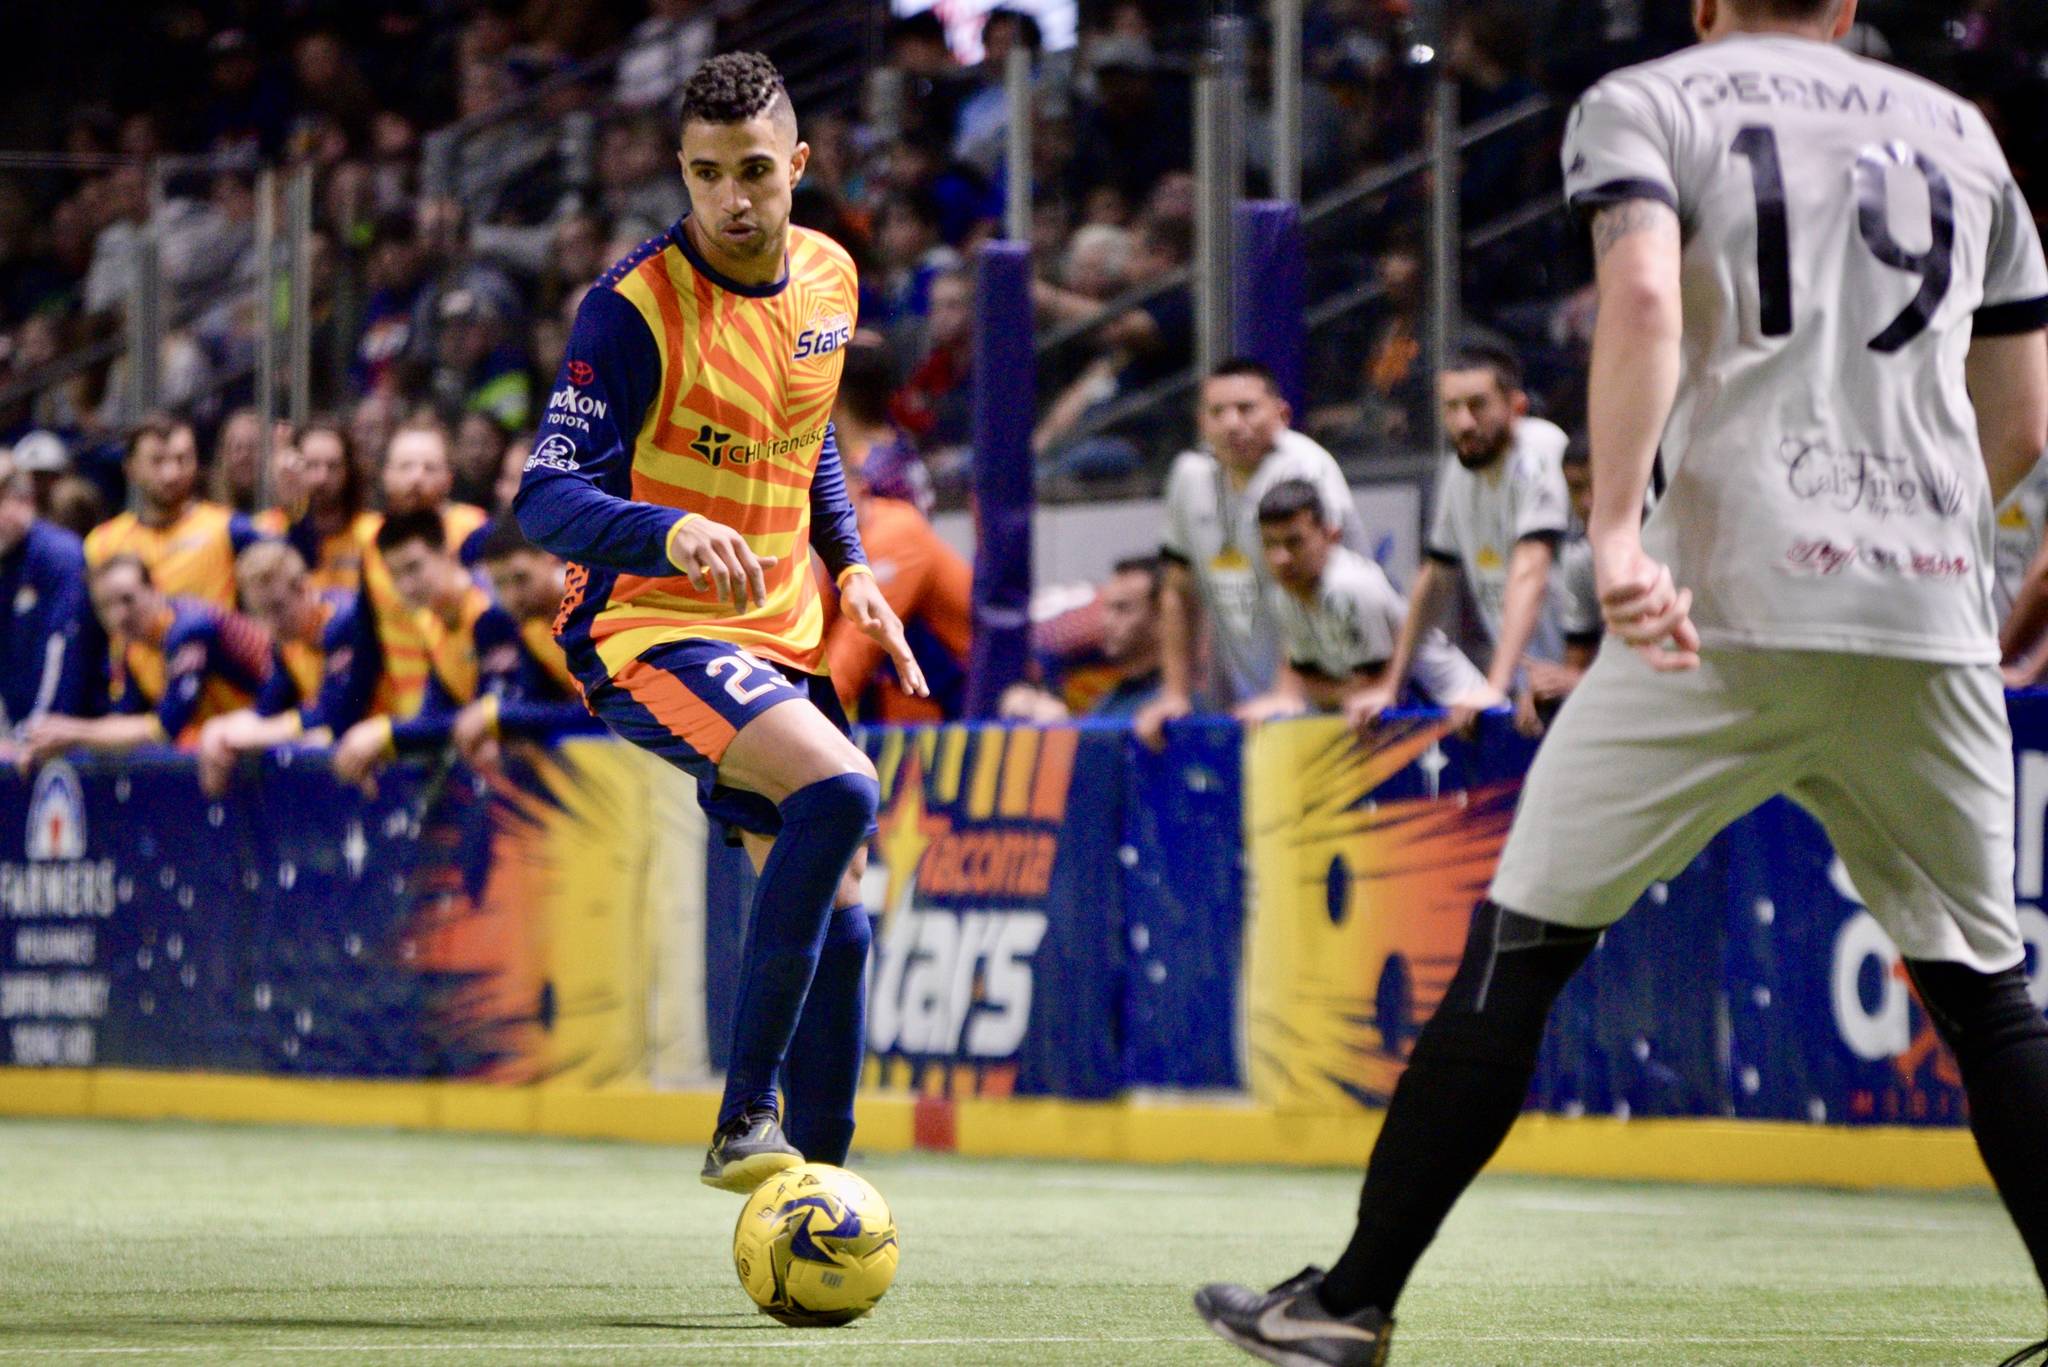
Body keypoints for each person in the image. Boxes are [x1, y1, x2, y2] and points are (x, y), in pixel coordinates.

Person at [1194, 0, 2048, 1359]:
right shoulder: (1965, 133)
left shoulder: (1650, 100)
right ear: (1846, 7)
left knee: (1521, 947)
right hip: (1927, 613)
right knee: (1988, 992)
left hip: (1723, 606)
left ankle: (1349, 1301)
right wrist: (1907, 538)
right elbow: (2021, 421)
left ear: (1705, 4)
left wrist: (1612, 536)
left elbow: (1643, 297)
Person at [512, 52, 925, 1192]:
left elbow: (808, 431)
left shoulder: (831, 278)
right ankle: (745, 1116)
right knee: (840, 790)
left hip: (784, 630)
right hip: (647, 628)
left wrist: (850, 565)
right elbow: (542, 496)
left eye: (752, 171)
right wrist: (667, 531)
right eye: (705, 175)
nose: (730, 199)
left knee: (844, 914)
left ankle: (821, 1200)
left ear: (798, 164)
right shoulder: (631, 308)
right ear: (680, 173)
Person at [1136, 358, 1383, 746]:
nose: (1232, 423)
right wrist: (1175, 694)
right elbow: (1177, 591)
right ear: (1201, 422)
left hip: (1342, 702)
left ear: (1282, 414)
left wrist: (1288, 693)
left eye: (1246, 408)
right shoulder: (1188, 475)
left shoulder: (1305, 467)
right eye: (1218, 412)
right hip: (1251, 706)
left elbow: (1312, 588)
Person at [1352, 345, 1571, 736]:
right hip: (1532, 693)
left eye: (1478, 405)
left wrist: (1494, 686)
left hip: (1582, 683)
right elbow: (1435, 580)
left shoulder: (1540, 449)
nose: (1464, 422)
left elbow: (1530, 570)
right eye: (1451, 407)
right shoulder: (1459, 470)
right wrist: (1390, 686)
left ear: (1517, 406)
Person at [328, 510, 560, 793]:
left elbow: (491, 714)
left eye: (414, 567)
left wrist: (386, 734)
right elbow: (440, 715)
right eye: (395, 575)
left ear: (447, 554)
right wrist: (385, 744)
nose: (406, 585)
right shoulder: (429, 626)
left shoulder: (492, 613)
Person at [827, 338, 969, 722]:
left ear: (832, 396)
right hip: (901, 616)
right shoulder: (901, 450)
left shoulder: (864, 476)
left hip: (917, 635)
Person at [21, 554, 271, 762]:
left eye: (127, 600)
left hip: (269, 731)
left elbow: (167, 728)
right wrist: (51, 739)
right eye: (105, 606)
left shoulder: (189, 630)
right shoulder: (130, 648)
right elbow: (126, 721)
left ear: (154, 589)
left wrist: (74, 733)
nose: (119, 615)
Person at [1237, 479, 1407, 730]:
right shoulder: (1286, 594)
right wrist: (1292, 696)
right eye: (1270, 544)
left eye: (1294, 542)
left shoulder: (1348, 588)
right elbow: (1305, 681)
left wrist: (1305, 693)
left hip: (1440, 707)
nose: (1281, 557)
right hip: (1397, 721)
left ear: (1331, 536)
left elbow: (1369, 690)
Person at [194, 541, 357, 796]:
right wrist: (217, 730)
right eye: (259, 612)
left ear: (304, 588)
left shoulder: (343, 622)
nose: (270, 624)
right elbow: (268, 709)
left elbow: (335, 714)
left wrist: (250, 736)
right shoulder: (285, 641)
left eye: (277, 608)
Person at [84, 416, 266, 610]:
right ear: (131, 469)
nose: (171, 474)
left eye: (181, 459)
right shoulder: (102, 543)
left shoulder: (229, 528)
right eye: (157, 461)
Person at [1, 448, 95, 758]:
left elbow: (63, 654)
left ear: (23, 501)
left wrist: (30, 735)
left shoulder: (58, 555)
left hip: (61, 741)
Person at [1522, 438, 1605, 720]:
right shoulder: (1579, 557)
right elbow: (1575, 667)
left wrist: (1580, 683)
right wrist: (1547, 687)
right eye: (1576, 488)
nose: (1587, 501)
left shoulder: (1663, 539)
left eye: (1596, 485)